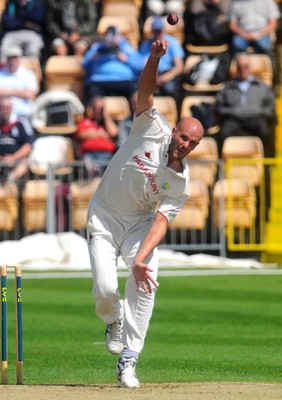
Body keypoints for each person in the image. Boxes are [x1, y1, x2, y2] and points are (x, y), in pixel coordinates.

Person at [86, 39, 204, 388]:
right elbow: (145, 88)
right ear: (176, 130)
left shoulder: (181, 181)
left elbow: (161, 220)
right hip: (104, 216)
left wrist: (140, 260)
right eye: (184, 137)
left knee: (147, 277)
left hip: (139, 223)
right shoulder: (150, 125)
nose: (185, 144)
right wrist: (153, 58)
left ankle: (129, 359)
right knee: (106, 289)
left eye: (192, 144)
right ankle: (113, 319)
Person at [215, 53, 277, 156]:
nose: (243, 69)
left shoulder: (262, 86)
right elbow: (219, 107)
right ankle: (219, 169)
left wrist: (260, 112)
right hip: (234, 120)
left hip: (256, 119)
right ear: (236, 68)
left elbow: (270, 107)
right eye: (240, 67)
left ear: (250, 68)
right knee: (223, 133)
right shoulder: (228, 86)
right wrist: (231, 112)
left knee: (266, 133)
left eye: (245, 66)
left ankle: (268, 168)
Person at [82, 26, 144, 107]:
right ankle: (103, 119)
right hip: (99, 80)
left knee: (137, 99)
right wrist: (94, 57)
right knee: (97, 103)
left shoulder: (126, 47)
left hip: (125, 80)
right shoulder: (97, 47)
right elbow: (85, 66)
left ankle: (135, 119)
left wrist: (126, 59)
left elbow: (140, 65)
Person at [139, 17, 184, 98]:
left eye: (160, 31)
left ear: (164, 31)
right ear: (152, 31)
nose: (158, 33)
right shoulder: (145, 45)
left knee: (170, 88)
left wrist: (166, 77)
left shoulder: (172, 42)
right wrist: (153, 77)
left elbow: (179, 66)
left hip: (168, 74)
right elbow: (144, 64)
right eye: (156, 31)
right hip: (152, 73)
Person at [74, 96, 119, 172]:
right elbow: (82, 134)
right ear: (91, 108)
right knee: (87, 161)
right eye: (95, 107)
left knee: (108, 162)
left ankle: (95, 171)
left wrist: (106, 116)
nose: (98, 110)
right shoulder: (85, 121)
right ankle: (92, 170)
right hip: (88, 154)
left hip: (106, 155)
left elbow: (113, 133)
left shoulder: (109, 123)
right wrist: (103, 134)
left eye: (101, 108)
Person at [0, 95, 34, 183]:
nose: (4, 111)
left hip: (16, 161)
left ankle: (10, 181)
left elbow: (28, 145)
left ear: (11, 108)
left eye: (6, 108)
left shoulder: (21, 123)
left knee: (24, 162)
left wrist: (13, 158)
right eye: (2, 107)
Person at [0, 46, 38, 120]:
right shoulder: (0, 73)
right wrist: (19, 92)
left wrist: (6, 91)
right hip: (3, 116)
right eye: (10, 59)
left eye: (15, 59)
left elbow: (29, 94)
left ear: (19, 59)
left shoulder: (28, 74)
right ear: (6, 60)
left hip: (23, 114)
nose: (13, 62)